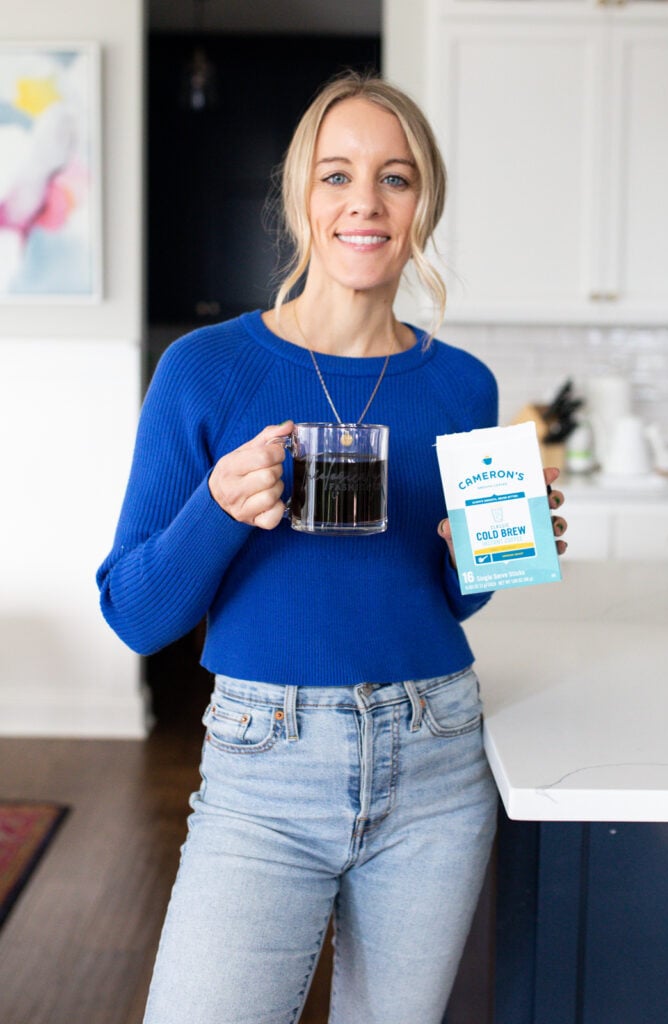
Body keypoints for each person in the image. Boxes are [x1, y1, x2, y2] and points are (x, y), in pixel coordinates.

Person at [97, 72, 567, 1024]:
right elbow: (135, 615)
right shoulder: (205, 370)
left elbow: (444, 596)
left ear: (422, 202)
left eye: (394, 178)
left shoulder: (463, 385)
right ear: (299, 198)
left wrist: (492, 552)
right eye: (336, 175)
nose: (365, 201)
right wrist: (220, 508)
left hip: (437, 759)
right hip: (264, 769)